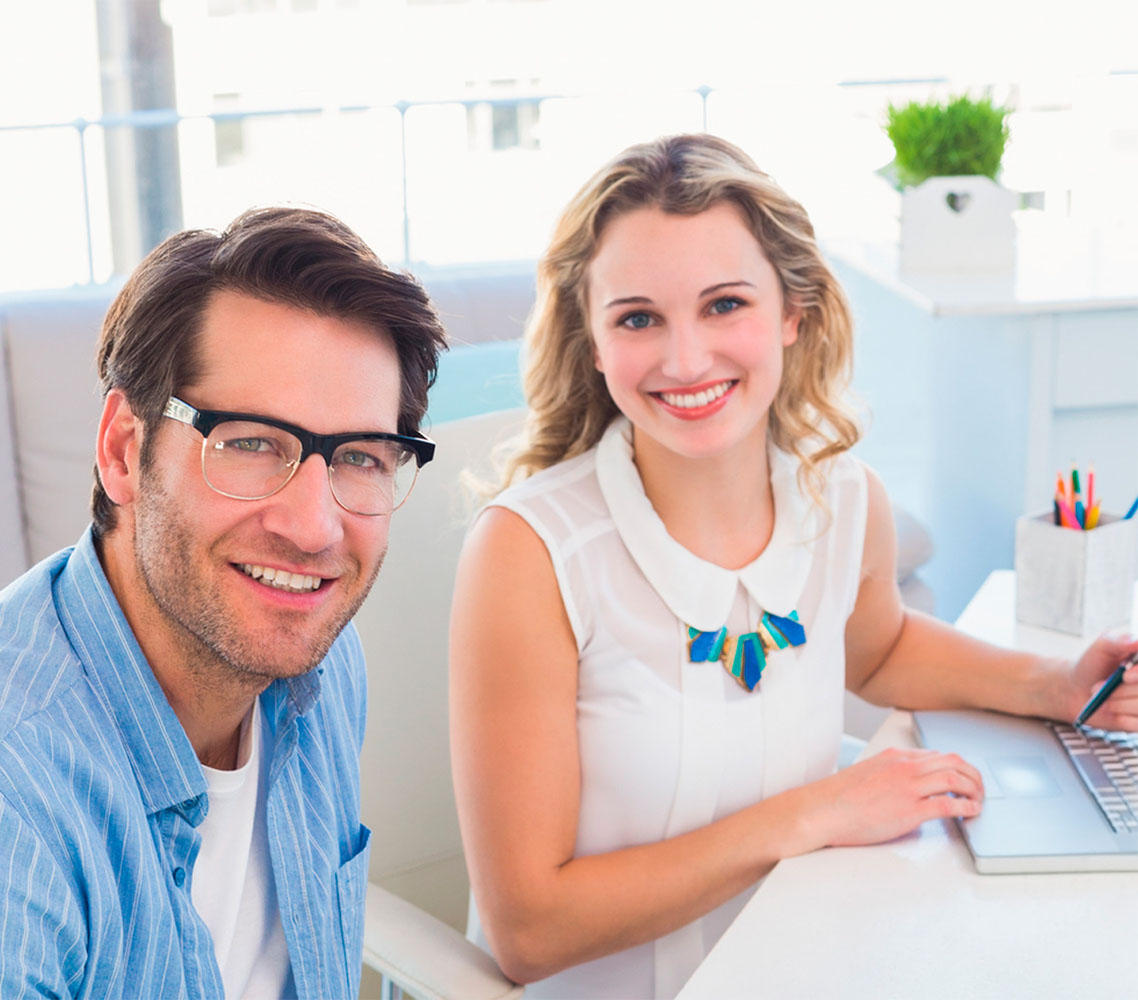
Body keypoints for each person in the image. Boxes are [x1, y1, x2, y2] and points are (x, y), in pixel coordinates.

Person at [448, 134, 1138, 999]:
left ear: (792, 313)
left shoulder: (842, 499)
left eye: (724, 304)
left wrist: (1059, 686)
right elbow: (530, 931)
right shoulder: (527, 552)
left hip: (810, 961)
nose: (685, 360)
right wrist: (819, 811)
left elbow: (880, 651)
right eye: (638, 318)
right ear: (592, 340)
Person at [0, 206, 447, 999]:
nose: (314, 530)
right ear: (124, 451)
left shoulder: (323, 661)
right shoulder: (20, 802)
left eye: (359, 457)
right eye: (250, 443)